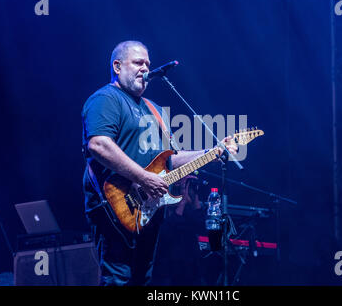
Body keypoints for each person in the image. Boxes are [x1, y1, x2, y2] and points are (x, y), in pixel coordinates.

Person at [81, 40, 237, 286]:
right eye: (138, 62)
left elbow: (172, 158)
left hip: (149, 210)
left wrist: (215, 151)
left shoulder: (154, 110)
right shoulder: (106, 99)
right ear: (118, 66)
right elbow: (99, 145)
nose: (145, 68)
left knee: (143, 278)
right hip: (115, 204)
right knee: (117, 278)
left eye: (147, 63)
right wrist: (143, 178)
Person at [152, 175, 206, 285]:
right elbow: (167, 232)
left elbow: (202, 228)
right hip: (168, 267)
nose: (187, 190)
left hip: (190, 266)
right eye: (185, 186)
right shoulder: (164, 205)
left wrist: (195, 198)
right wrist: (182, 202)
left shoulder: (191, 209)